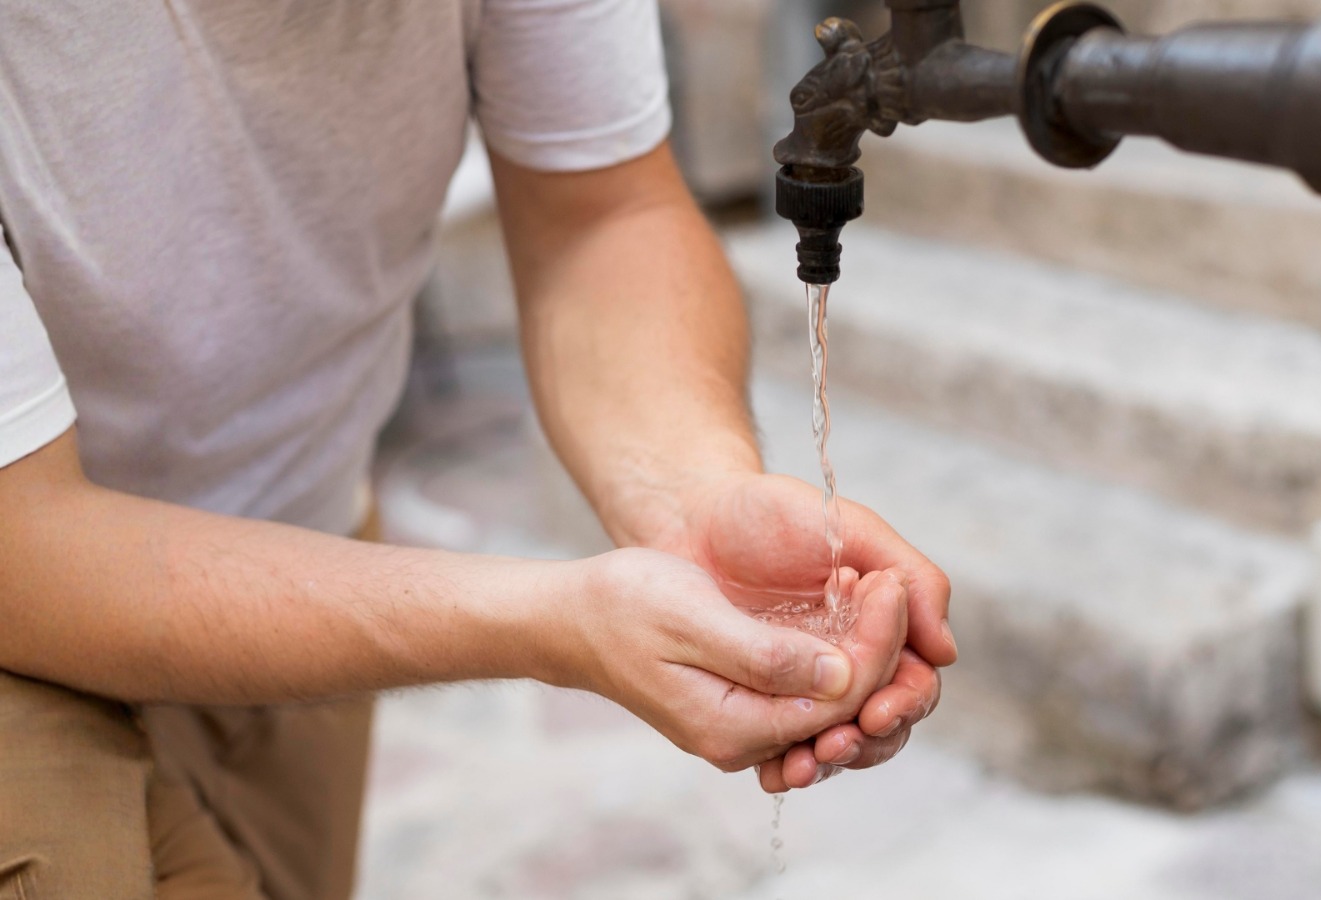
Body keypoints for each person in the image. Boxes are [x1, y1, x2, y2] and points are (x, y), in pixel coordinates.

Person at [0, 2, 955, 898]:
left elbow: (600, 217)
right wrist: (553, 619)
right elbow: (24, 538)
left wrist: (695, 499)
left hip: (303, 531)